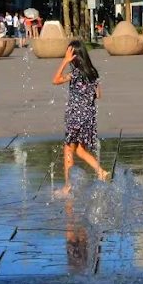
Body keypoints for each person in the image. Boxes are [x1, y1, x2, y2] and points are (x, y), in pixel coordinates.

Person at [52, 40, 109, 190]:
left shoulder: (75, 74)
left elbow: (55, 80)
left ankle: (67, 186)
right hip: (89, 116)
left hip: (75, 116)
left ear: (74, 57)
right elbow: (98, 94)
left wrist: (64, 61)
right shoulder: (93, 72)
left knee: (68, 149)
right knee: (80, 149)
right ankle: (100, 171)